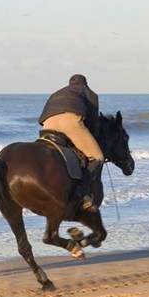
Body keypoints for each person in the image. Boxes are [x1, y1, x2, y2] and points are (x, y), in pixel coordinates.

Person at [38, 74, 104, 212]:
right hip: (70, 121)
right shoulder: (88, 92)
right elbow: (93, 120)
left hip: (47, 124)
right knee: (98, 157)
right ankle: (83, 193)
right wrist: (93, 137)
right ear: (85, 83)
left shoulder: (57, 92)